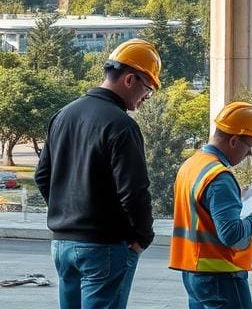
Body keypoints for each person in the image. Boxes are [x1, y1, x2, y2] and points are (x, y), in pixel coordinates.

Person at [35, 38, 162, 309]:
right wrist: (143, 237)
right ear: (130, 79)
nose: (144, 99)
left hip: (62, 246)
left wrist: (69, 216)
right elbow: (134, 191)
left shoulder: (63, 115)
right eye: (147, 89)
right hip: (102, 247)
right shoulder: (121, 125)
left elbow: (43, 176)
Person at [169, 101, 252, 309]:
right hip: (220, 275)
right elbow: (231, 234)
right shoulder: (220, 177)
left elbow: (201, 210)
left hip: (192, 271)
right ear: (234, 141)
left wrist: (235, 197)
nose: (250, 154)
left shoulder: (192, 164)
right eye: (250, 146)